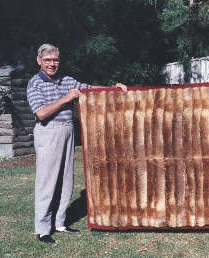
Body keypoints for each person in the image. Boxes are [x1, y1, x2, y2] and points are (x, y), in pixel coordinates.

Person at [27, 43, 127, 244]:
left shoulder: (67, 80)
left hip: (67, 132)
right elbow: (41, 113)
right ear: (39, 61)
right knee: (47, 182)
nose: (52, 64)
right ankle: (43, 229)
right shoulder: (34, 84)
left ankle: (60, 223)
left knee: (66, 181)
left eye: (55, 59)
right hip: (48, 133)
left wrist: (114, 88)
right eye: (48, 60)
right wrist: (66, 98)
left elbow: (90, 90)